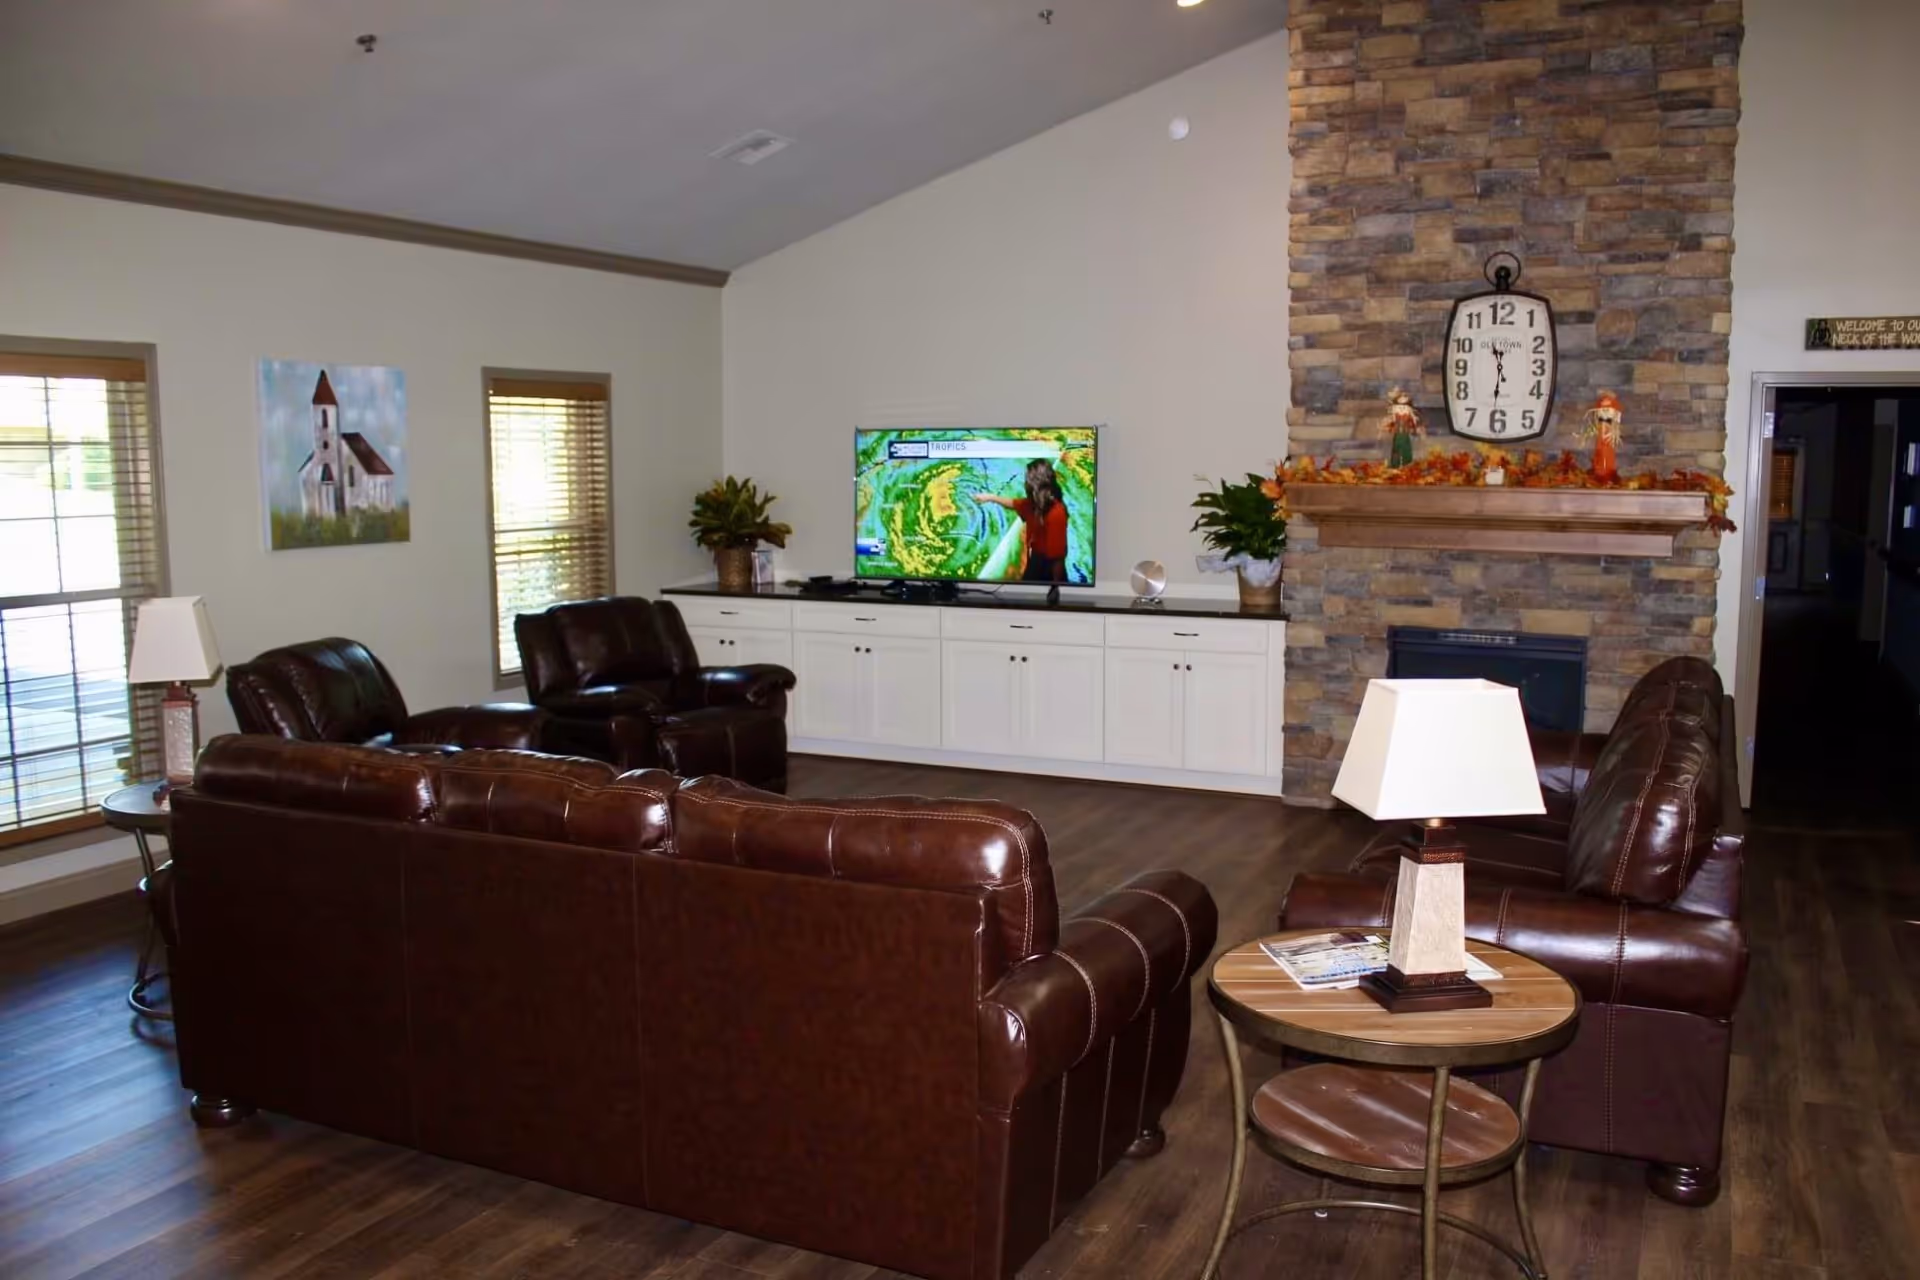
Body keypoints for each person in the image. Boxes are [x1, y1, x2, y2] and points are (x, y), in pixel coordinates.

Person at [973, 458, 1070, 582]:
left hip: (1048, 569)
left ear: (1035, 485)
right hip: (1035, 560)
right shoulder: (1033, 504)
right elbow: (1013, 504)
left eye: (1027, 481)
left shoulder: (1056, 513)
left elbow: (1057, 559)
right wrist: (990, 497)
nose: (1025, 484)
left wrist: (1056, 588)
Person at [1581, 390, 1622, 480]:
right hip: (1601, 430)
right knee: (1600, 450)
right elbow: (1596, 417)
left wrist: (1614, 431)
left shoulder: (1614, 406)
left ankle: (1607, 471)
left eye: (1607, 409)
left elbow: (1617, 418)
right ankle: (1600, 471)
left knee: (1608, 450)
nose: (1604, 411)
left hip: (1609, 430)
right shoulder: (1599, 405)